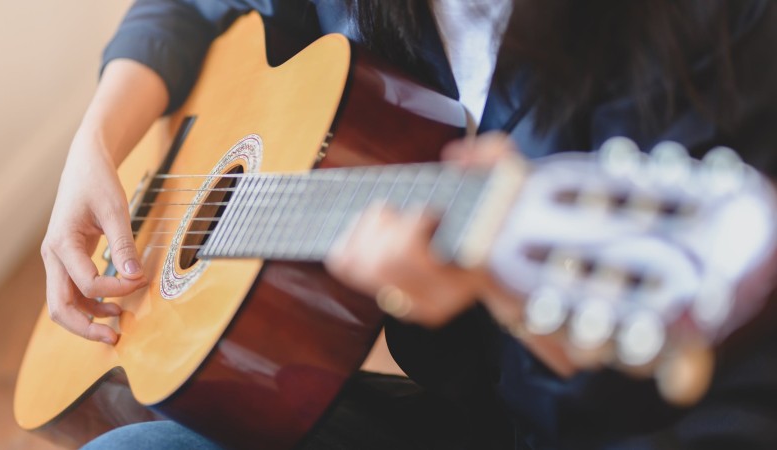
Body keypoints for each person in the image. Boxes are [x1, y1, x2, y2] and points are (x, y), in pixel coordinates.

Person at [40, 0, 777, 448]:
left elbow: (713, 405)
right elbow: (194, 7)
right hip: (462, 419)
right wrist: (97, 142)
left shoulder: (715, 27)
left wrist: (512, 294)